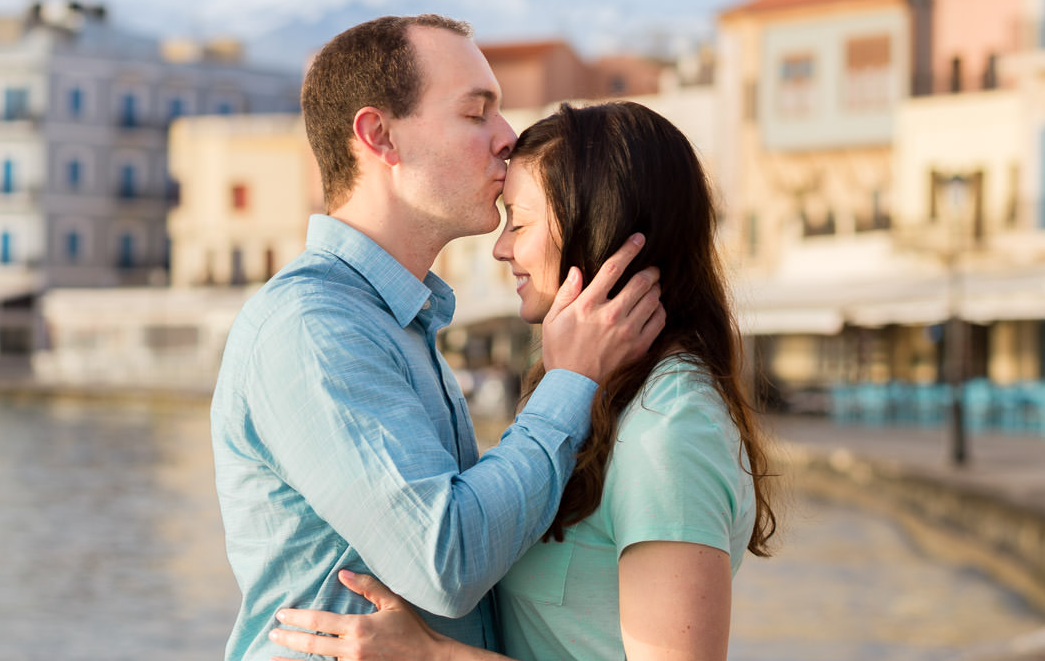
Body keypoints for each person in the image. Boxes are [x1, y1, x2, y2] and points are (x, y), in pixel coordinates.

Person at [211, 17, 666, 661]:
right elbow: (444, 561)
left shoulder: (396, 323)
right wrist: (571, 382)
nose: (508, 140)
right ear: (380, 135)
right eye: (477, 113)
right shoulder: (314, 327)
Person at [269, 101, 778, 661]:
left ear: (598, 227)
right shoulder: (604, 394)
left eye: (520, 220)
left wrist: (434, 655)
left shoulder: (672, 425)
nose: (501, 246)